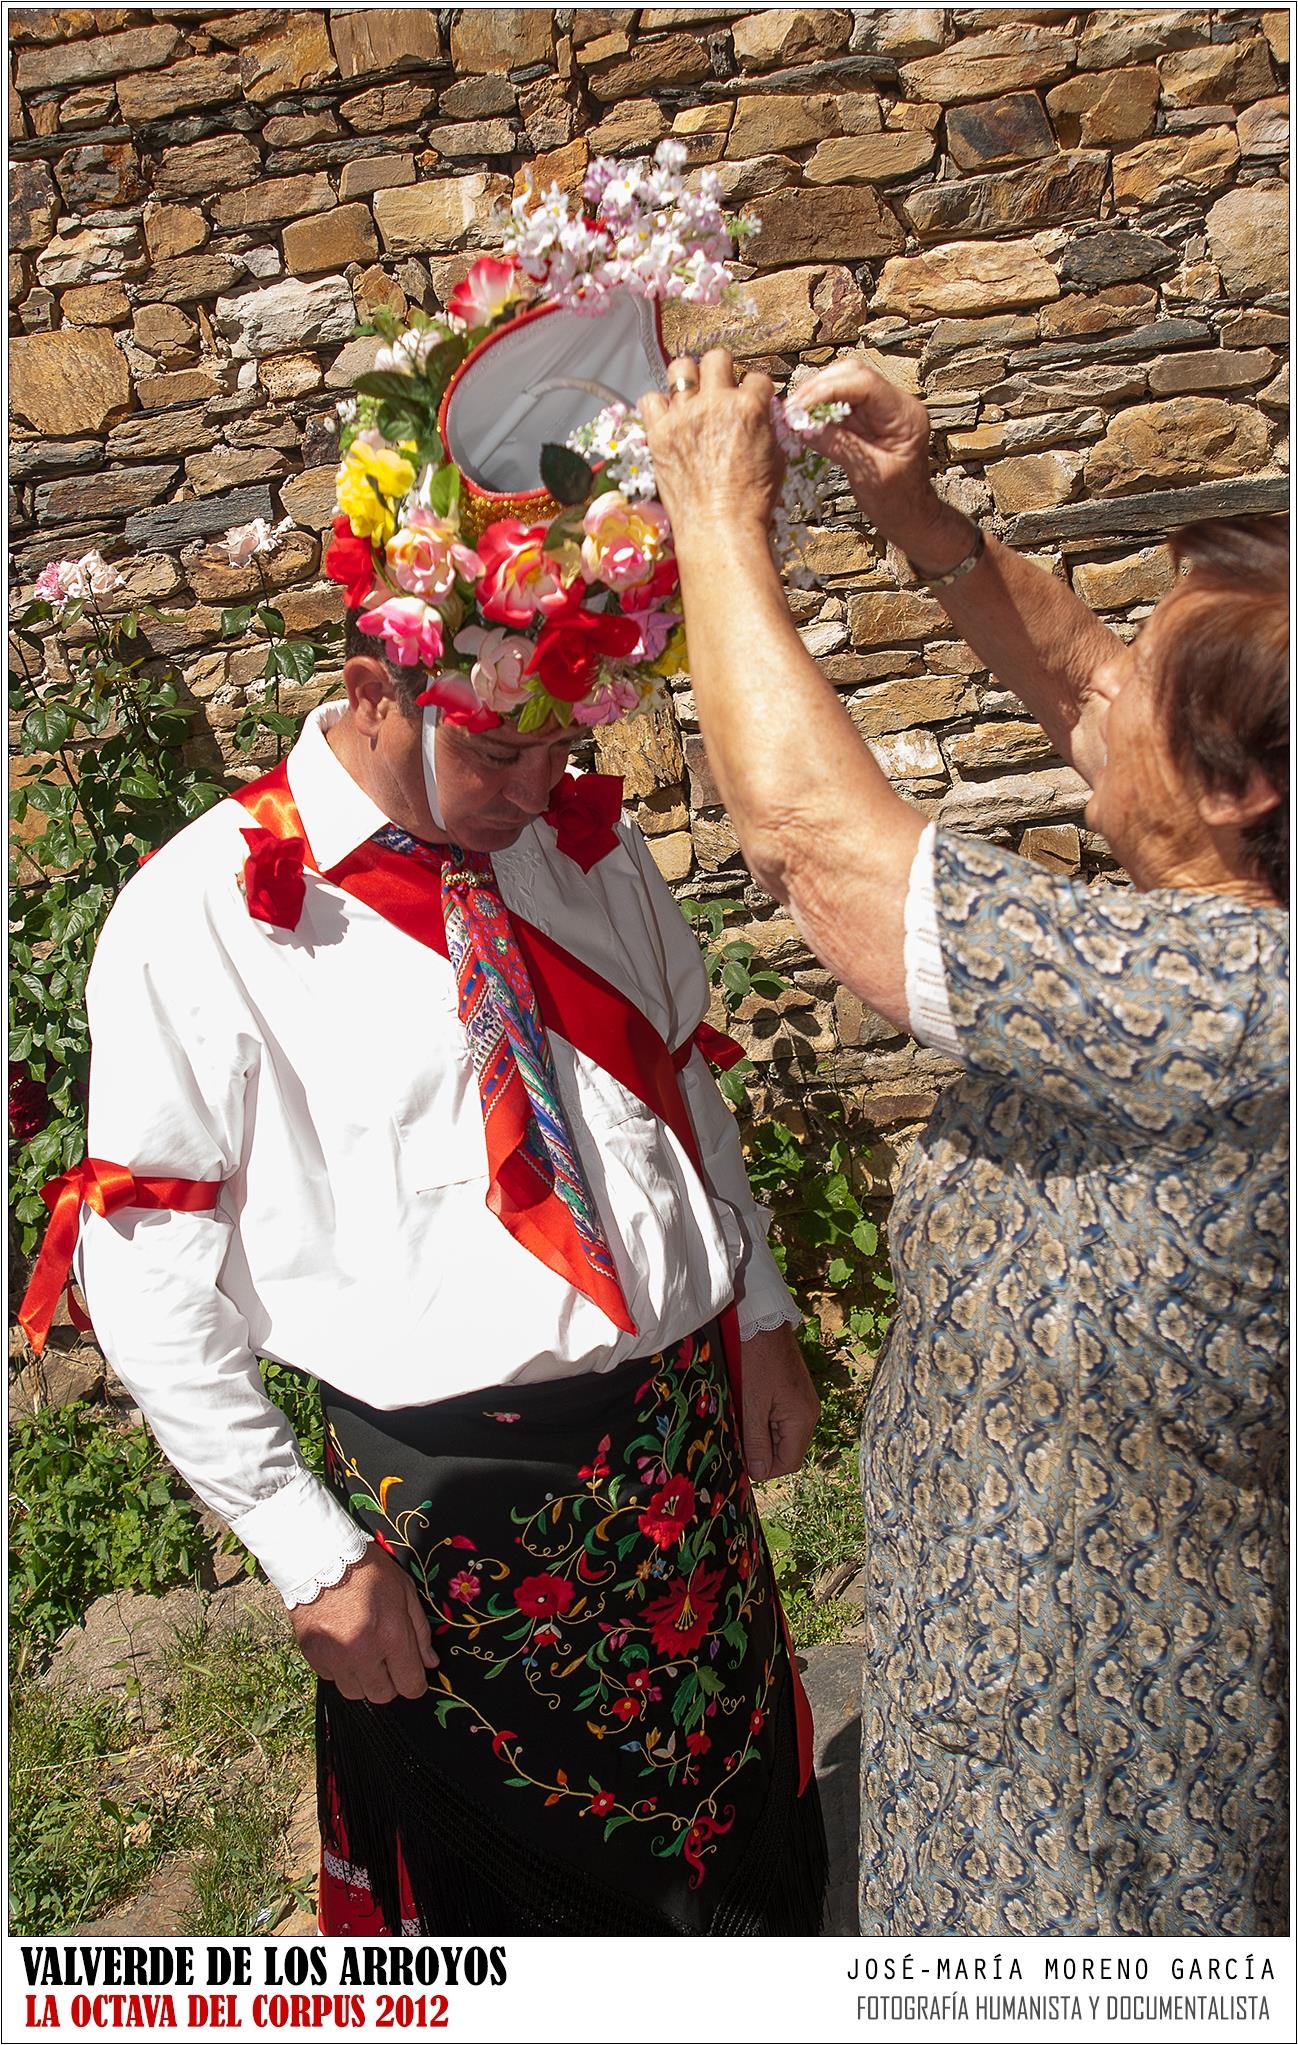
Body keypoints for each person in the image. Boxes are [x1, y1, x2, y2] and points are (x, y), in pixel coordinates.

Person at [17, 273, 834, 1932]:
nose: (547, 786)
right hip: (453, 1515)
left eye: (567, 740)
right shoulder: (202, 913)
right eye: (503, 749)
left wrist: (753, 1313)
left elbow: (681, 1097)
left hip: (677, 1454)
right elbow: (147, 1267)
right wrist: (305, 1545)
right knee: (513, 1929)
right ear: (379, 680)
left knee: (741, 1877)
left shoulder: (581, 852)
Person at [639, 349, 1288, 1936]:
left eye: (1147, 673)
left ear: (1234, 787)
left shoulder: (1217, 998)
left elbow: (819, 852)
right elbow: (1084, 681)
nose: (1101, 686)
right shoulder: (1236, 895)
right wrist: (919, 517)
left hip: (1090, 1732)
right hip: (1015, 1639)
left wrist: (713, 517)